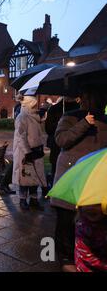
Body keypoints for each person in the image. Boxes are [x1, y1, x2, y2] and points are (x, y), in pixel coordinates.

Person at [52, 87, 107, 272]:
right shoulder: (70, 116)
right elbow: (61, 140)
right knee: (65, 221)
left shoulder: (105, 119)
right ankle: (65, 257)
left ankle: (89, 254)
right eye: (88, 96)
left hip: (94, 177)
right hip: (70, 175)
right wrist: (84, 123)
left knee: (92, 222)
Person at [12, 96, 46, 211]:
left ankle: (33, 199)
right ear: (29, 105)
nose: (36, 107)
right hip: (25, 153)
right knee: (25, 176)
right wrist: (27, 152)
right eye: (34, 105)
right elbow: (21, 136)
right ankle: (22, 199)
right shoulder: (22, 117)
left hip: (35, 151)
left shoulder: (34, 117)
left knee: (34, 176)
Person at [44, 97, 80, 192]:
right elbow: (48, 129)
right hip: (57, 146)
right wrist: (60, 125)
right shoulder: (55, 109)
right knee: (56, 171)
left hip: (74, 148)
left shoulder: (79, 109)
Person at [75, 205, 107, 272]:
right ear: (80, 207)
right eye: (86, 204)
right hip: (87, 265)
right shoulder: (82, 227)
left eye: (98, 204)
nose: (91, 208)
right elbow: (85, 256)